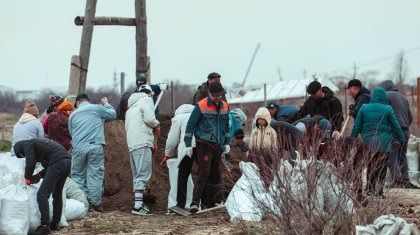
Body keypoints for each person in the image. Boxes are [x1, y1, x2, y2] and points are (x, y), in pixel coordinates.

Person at [351, 87, 405, 198]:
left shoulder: (364, 108)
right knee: (382, 167)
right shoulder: (388, 109)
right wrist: (402, 139)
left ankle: (370, 189)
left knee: (370, 165)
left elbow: (357, 125)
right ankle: (379, 192)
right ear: (384, 97)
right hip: (384, 143)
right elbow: (396, 126)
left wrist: (353, 139)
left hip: (368, 143)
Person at [184, 81, 230, 213]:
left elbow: (226, 126)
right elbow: (190, 125)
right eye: (215, 95)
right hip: (204, 144)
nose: (218, 98)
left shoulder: (225, 106)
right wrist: (188, 144)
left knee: (216, 174)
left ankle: (211, 203)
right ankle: (194, 203)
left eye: (219, 95)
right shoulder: (201, 106)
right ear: (209, 93)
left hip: (218, 145)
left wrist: (226, 142)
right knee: (204, 172)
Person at [69, 92, 116, 212]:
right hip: (95, 146)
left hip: (78, 148)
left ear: (78, 103)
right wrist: (106, 104)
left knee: (78, 175)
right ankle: (95, 204)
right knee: (95, 174)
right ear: (87, 100)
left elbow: (71, 132)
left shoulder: (73, 115)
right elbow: (113, 114)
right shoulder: (96, 108)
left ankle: (82, 203)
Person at [14, 138, 71, 234]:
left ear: (19, 151)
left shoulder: (27, 144)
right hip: (67, 162)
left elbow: (30, 162)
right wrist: (39, 176)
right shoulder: (40, 145)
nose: (24, 156)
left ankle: (45, 226)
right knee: (57, 193)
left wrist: (27, 178)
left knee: (42, 195)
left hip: (58, 162)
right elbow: (50, 165)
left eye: (22, 155)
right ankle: (56, 223)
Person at [125, 85, 160, 215]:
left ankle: (138, 203)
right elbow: (150, 119)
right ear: (150, 94)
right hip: (143, 140)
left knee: (137, 174)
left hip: (132, 143)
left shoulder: (130, 106)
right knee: (143, 173)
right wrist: (157, 125)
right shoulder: (146, 100)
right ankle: (138, 206)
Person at [381, 80, 414, 188]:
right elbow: (410, 118)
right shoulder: (403, 97)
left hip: (394, 131)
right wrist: (404, 127)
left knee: (392, 156)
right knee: (402, 157)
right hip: (405, 131)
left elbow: (384, 114)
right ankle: (405, 180)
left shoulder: (387, 95)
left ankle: (397, 181)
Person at [163, 104, 195, 211]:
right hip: (203, 146)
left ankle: (180, 205)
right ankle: (199, 204)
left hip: (187, 146)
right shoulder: (197, 115)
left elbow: (172, 139)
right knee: (203, 175)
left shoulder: (179, 118)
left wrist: (168, 154)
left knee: (183, 174)